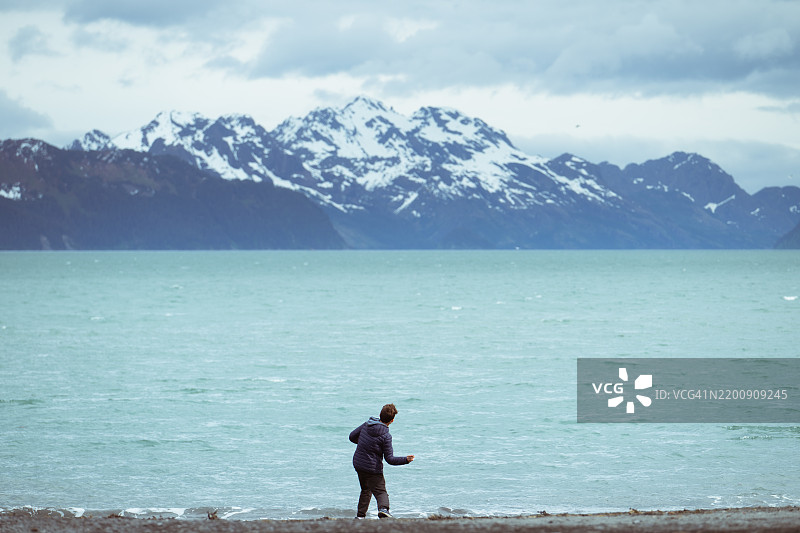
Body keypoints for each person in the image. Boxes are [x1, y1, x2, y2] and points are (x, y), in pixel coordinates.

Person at [349, 403, 415, 519]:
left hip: (359, 464)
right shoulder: (386, 436)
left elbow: (352, 436)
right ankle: (384, 509)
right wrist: (406, 460)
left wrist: (364, 443)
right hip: (372, 468)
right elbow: (389, 459)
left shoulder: (367, 424)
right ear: (392, 420)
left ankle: (360, 516)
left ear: (380, 414)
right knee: (380, 491)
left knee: (366, 489)